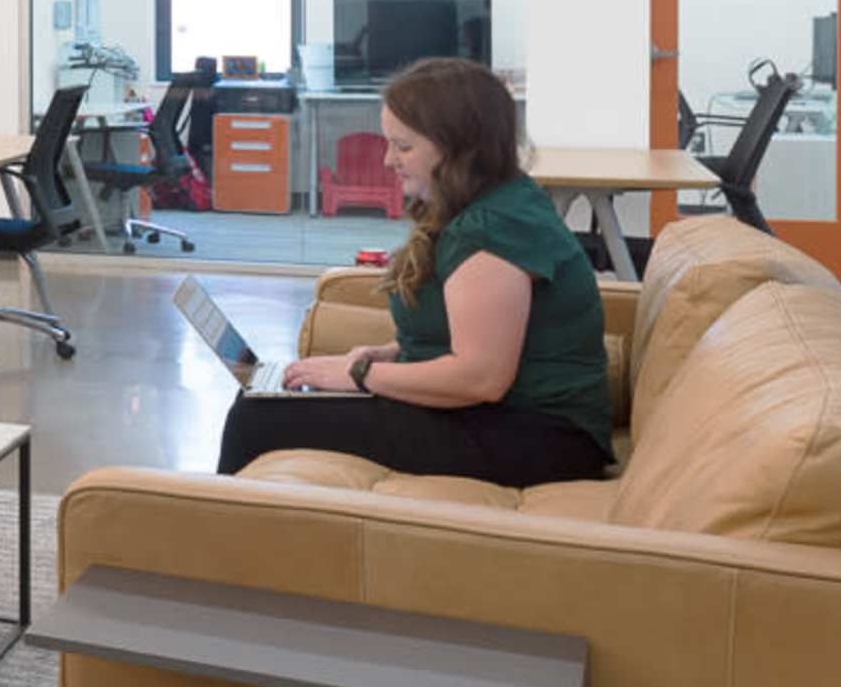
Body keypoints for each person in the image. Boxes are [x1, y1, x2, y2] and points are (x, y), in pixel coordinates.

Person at [219, 55, 615, 484]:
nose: (388, 159)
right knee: (272, 402)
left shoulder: (490, 234)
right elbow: (472, 332)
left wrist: (360, 375)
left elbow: (481, 378)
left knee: (257, 416)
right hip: (510, 419)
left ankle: (210, 547)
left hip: (534, 437)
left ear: (460, 149)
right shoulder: (496, 200)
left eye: (403, 146)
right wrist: (387, 354)